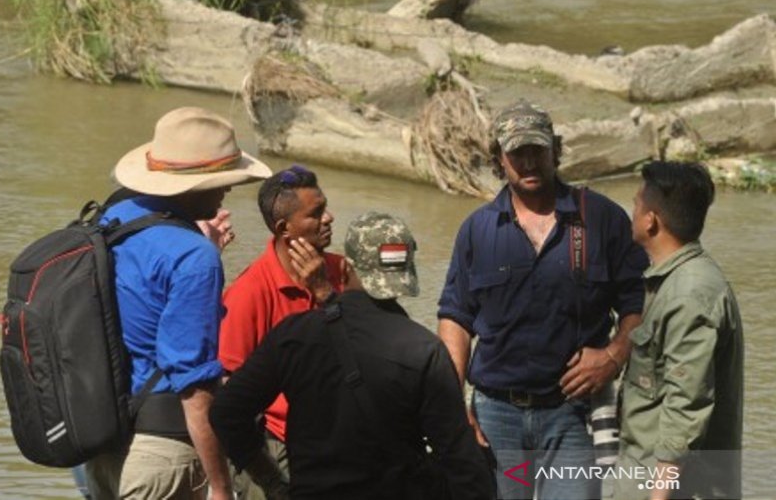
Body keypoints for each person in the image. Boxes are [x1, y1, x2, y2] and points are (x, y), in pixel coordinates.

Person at [437, 101, 648, 499]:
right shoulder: (477, 230)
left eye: (538, 149)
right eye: (518, 153)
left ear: (556, 150)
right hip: (496, 416)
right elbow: (456, 318)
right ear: (499, 159)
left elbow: (641, 303)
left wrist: (614, 356)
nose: (529, 162)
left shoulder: (601, 219)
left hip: (571, 414)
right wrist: (452, 402)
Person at [209, 212, 495, 499]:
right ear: (407, 274)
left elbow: (226, 412)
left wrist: (272, 481)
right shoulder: (424, 350)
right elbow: (462, 463)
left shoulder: (296, 335)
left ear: (345, 267)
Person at [84, 106, 272, 499]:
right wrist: (220, 487)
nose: (228, 190)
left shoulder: (111, 217)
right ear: (195, 184)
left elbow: (140, 307)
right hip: (160, 456)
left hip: (100, 449)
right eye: (222, 181)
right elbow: (195, 388)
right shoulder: (192, 257)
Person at [616, 161, 743, 500]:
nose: (632, 210)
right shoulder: (675, 281)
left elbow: (686, 403)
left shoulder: (689, 293)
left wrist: (659, 495)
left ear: (650, 220)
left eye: (635, 203)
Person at [218, 165, 344, 496]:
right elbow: (228, 390)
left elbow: (367, 347)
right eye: (315, 214)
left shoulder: (341, 271)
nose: (328, 218)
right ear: (284, 228)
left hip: (340, 441)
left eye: (325, 207)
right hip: (276, 445)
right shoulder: (249, 292)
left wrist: (325, 293)